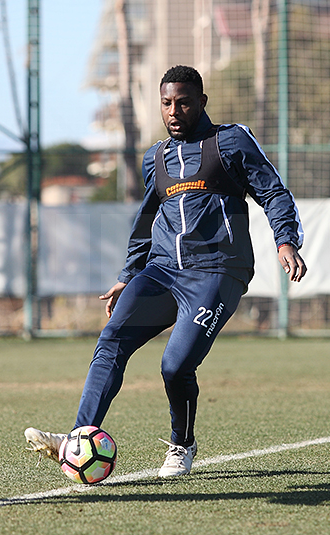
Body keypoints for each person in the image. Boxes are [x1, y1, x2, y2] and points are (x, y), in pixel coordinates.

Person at [25, 65, 306, 477]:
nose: (174, 111)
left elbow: (274, 192)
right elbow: (146, 219)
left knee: (174, 366)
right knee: (111, 340)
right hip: (161, 272)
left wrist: (286, 240)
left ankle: (182, 444)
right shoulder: (155, 157)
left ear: (201, 102)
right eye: (166, 103)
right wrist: (128, 274)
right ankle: (78, 438)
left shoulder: (231, 141)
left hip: (217, 272)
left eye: (184, 103)